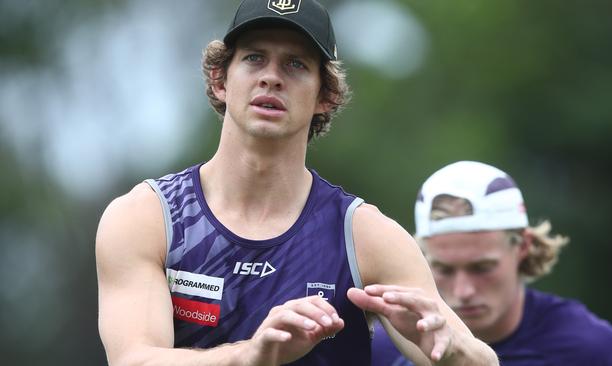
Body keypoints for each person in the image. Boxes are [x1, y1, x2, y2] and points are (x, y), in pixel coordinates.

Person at [95, 1, 498, 365]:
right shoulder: (147, 217)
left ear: (326, 96)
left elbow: (477, 360)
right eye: (254, 58)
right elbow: (135, 360)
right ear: (221, 80)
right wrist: (252, 356)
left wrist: (454, 351)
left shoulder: (364, 235)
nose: (271, 77)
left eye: (295, 65)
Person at [372, 161, 612, 366]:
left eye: (482, 268)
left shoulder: (594, 352)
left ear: (523, 247)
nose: (463, 291)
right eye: (443, 269)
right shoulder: (384, 350)